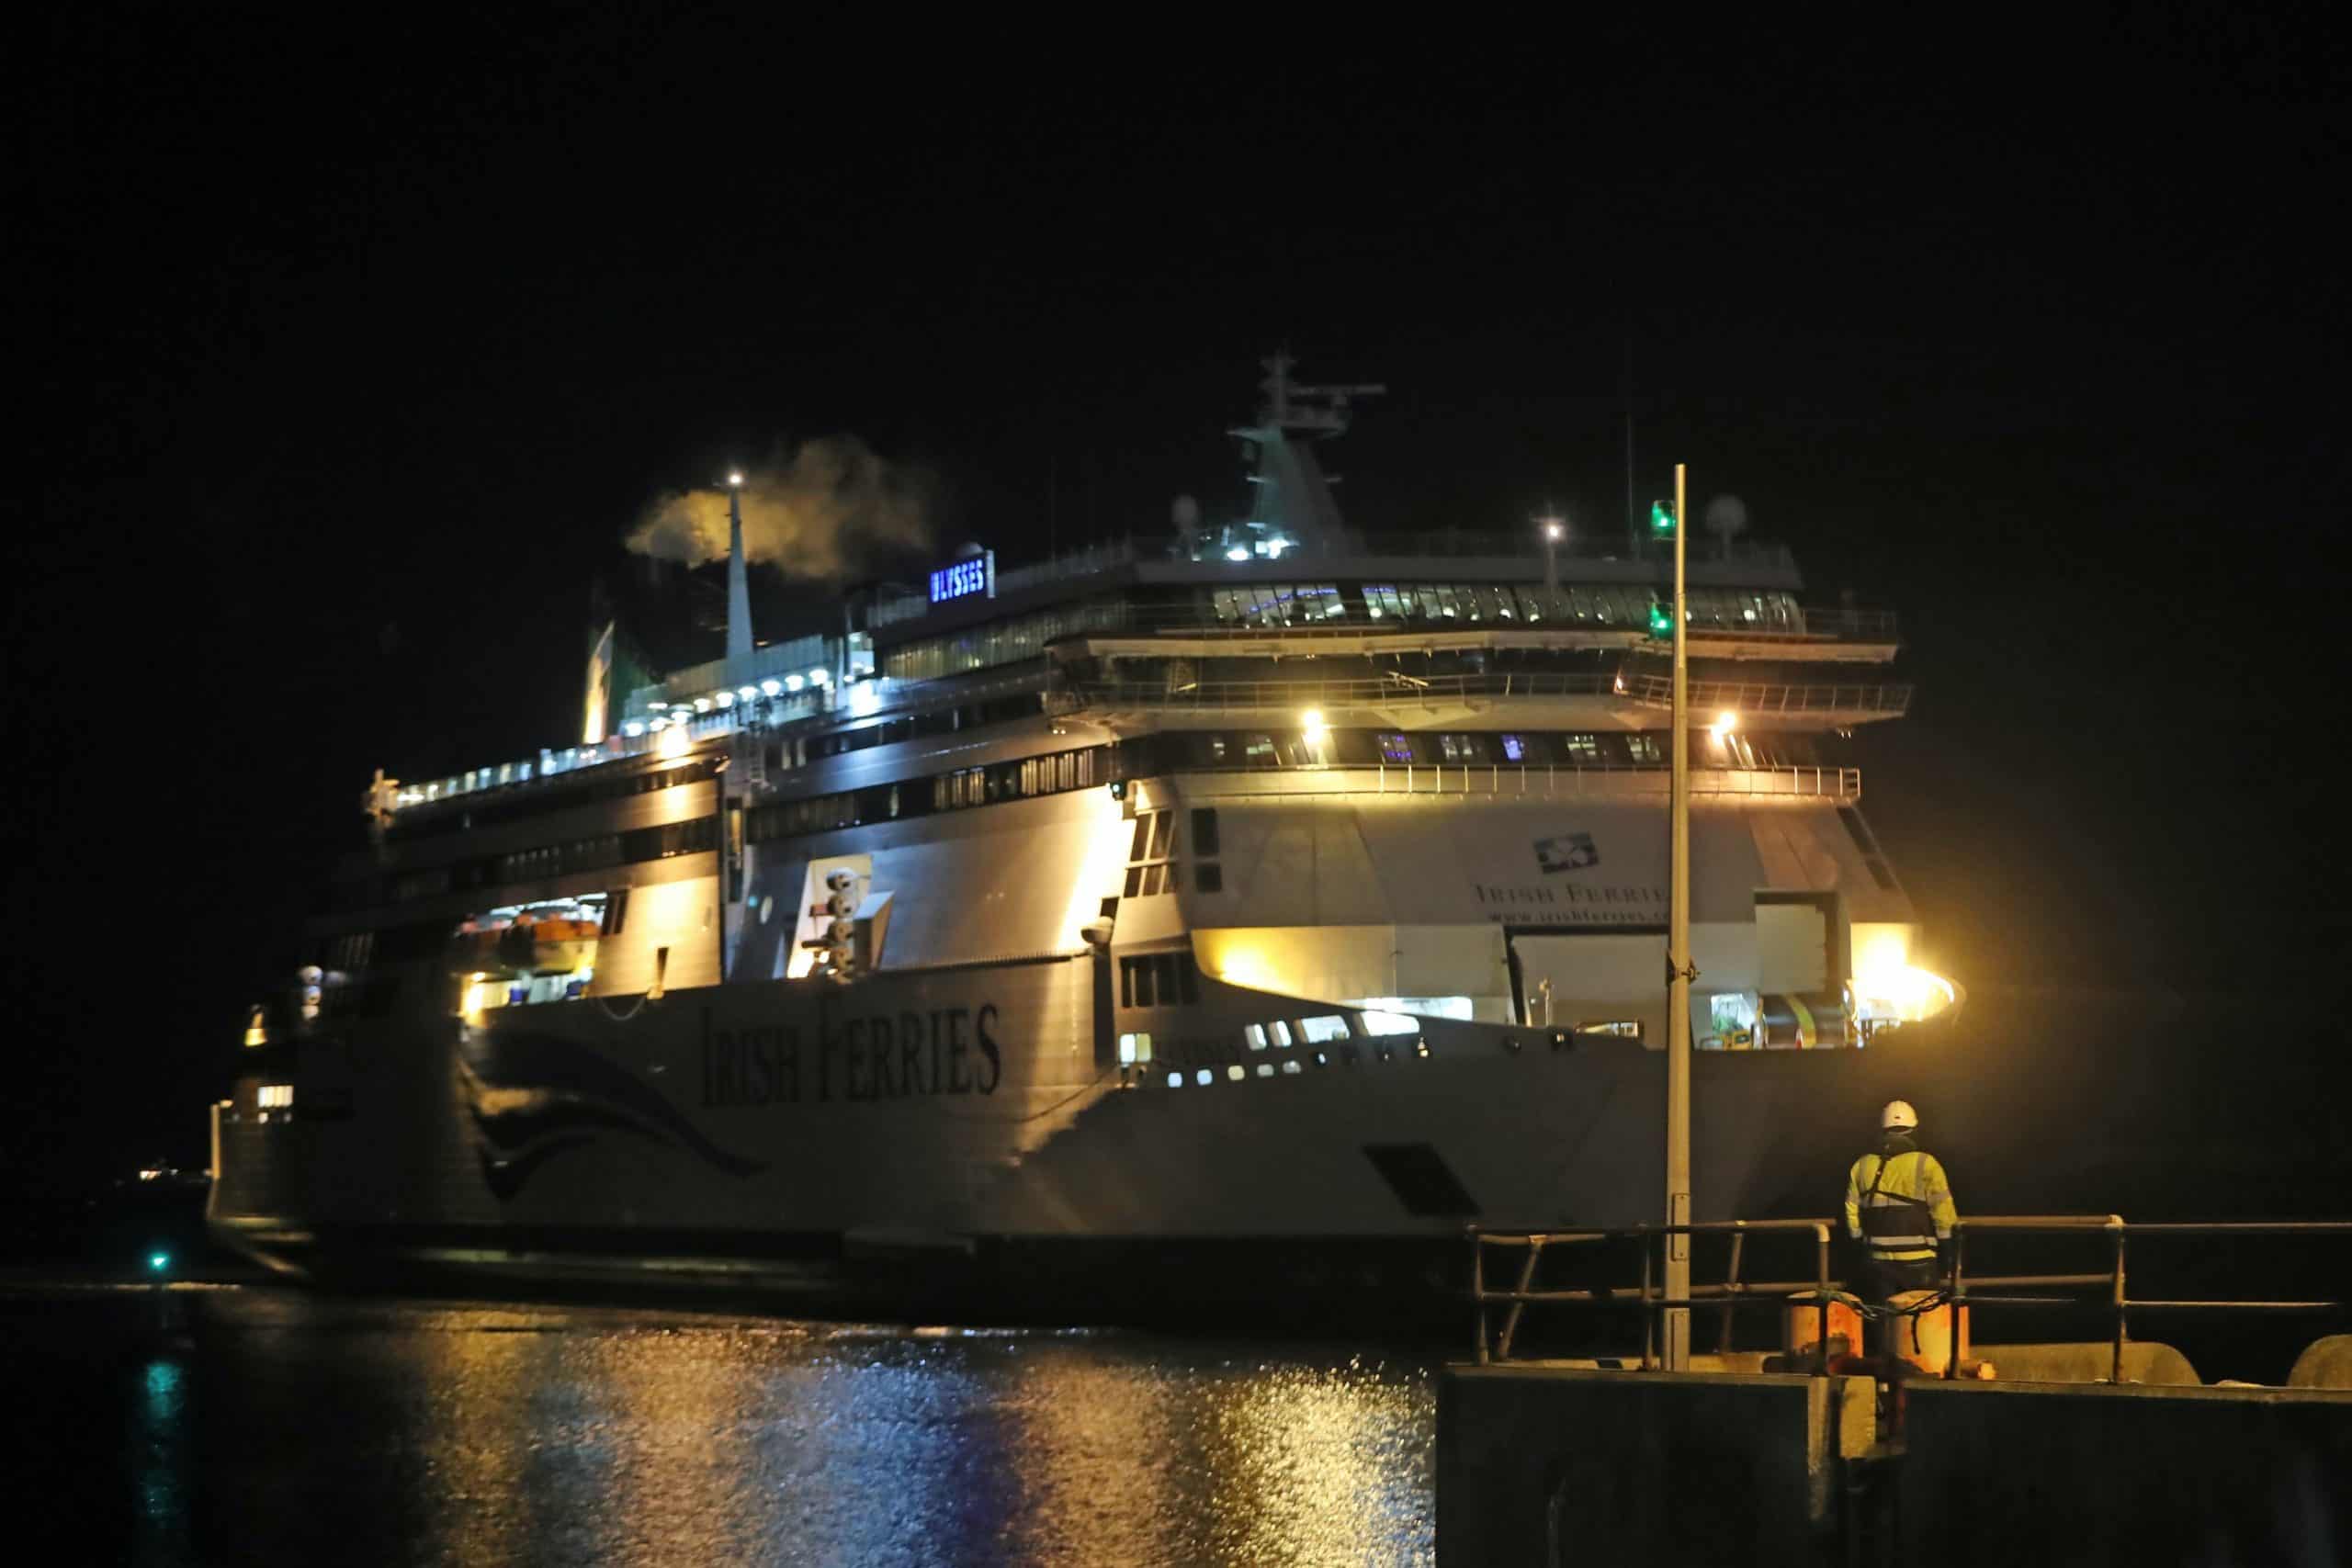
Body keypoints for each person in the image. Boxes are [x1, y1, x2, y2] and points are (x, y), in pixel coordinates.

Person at [1844, 1100, 1959, 1350]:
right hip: (1920, 1263)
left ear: (1881, 1131)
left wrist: (1859, 1244)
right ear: (1913, 1130)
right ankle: (1920, 1379)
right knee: (1921, 1330)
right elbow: (1945, 1217)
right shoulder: (1926, 1164)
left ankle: (1884, 1382)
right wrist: (1949, 1258)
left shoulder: (1862, 1166)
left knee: (1882, 1330)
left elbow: (1851, 1216)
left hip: (1877, 1263)